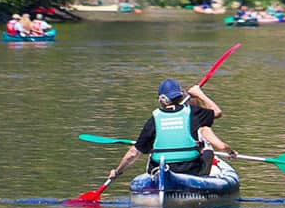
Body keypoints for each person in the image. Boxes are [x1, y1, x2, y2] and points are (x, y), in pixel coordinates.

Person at [99, 77, 236, 188]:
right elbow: (217, 112)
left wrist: (117, 171)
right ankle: (201, 181)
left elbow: (133, 153)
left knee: (152, 153)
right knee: (207, 152)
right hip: (190, 169)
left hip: (160, 168)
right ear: (180, 96)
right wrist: (200, 94)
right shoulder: (194, 113)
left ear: (161, 99)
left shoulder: (154, 119)